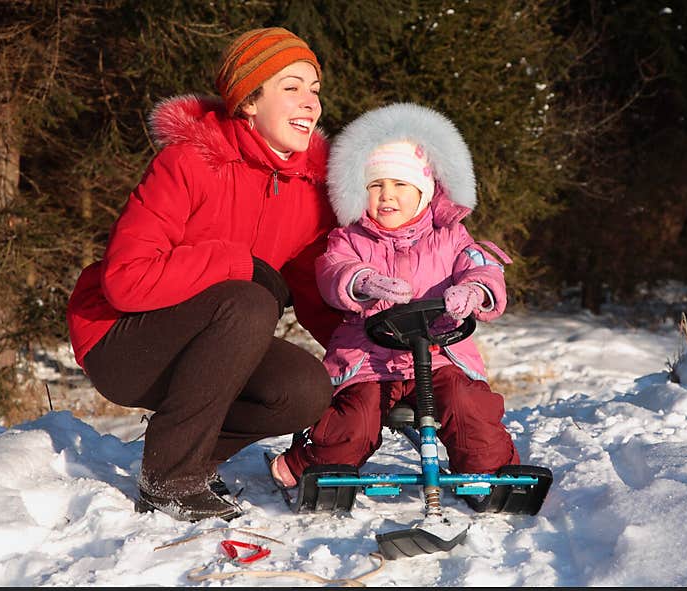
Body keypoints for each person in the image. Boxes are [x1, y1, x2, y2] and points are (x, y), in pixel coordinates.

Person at [65, 27, 342, 522]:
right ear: (249, 100)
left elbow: (317, 295)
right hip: (121, 341)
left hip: (215, 348)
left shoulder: (310, 190)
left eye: (315, 90)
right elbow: (125, 280)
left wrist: (376, 350)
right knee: (249, 300)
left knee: (305, 388)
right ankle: (170, 480)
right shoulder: (188, 162)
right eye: (291, 87)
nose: (310, 103)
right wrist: (237, 264)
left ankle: (186, 451)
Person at [269, 102, 521, 489]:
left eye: (400, 185)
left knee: (470, 407)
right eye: (375, 186)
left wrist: (473, 290)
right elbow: (332, 270)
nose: (387, 196)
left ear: (424, 189)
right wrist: (362, 280)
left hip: (440, 357)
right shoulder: (349, 238)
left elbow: (483, 267)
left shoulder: (451, 238)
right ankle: (311, 463)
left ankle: (490, 472)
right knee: (354, 420)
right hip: (370, 360)